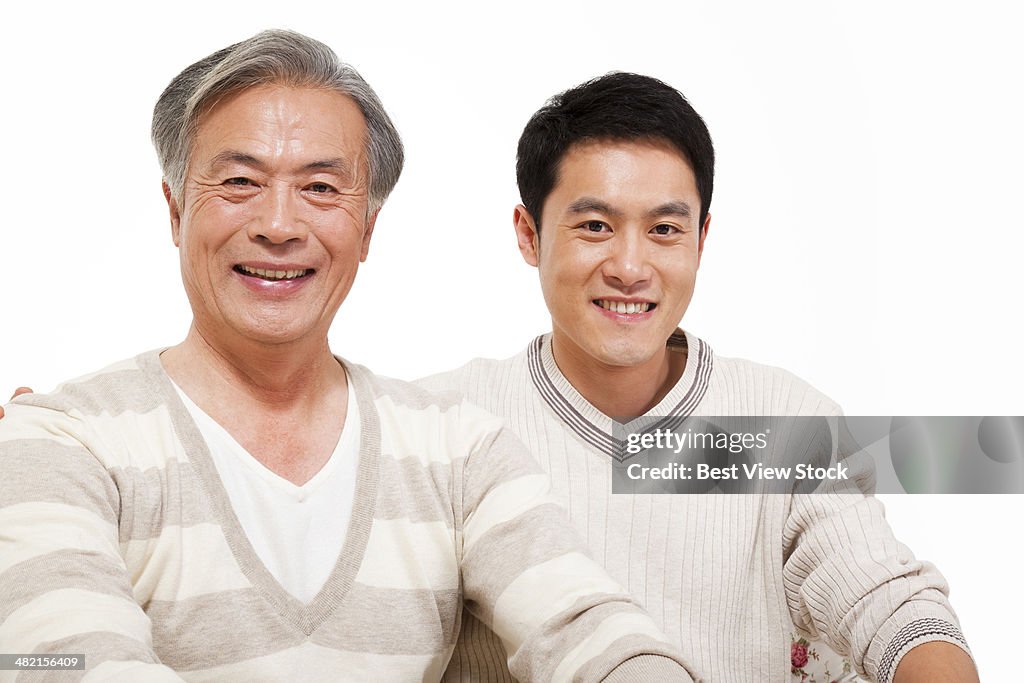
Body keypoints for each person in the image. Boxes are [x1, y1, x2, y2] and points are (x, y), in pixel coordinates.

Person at [0, 32, 702, 682]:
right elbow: (63, 658)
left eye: (322, 187)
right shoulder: (57, 440)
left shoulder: (456, 448)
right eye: (240, 181)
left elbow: (586, 628)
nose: (279, 225)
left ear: (367, 228)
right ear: (177, 209)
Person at [419, 73, 978, 682]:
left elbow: (887, 602)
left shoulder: (783, 418)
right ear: (530, 235)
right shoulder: (443, 426)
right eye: (595, 227)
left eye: (664, 229)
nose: (631, 268)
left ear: (701, 237)